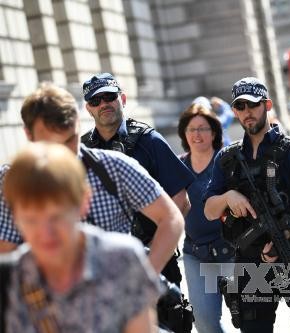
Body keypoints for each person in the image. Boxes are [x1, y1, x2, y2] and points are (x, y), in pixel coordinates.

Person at [0, 83, 184, 276]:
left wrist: (143, 280)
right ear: (28, 134)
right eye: (52, 145)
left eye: (71, 140)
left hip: (117, 296)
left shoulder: (114, 167)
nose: (65, 154)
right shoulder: (11, 182)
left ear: (78, 122)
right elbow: (6, 252)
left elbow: (171, 218)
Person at [204, 77, 290, 332]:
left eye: (253, 105)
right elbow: (209, 211)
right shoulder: (227, 158)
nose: (247, 112)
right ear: (234, 111)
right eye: (240, 107)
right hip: (250, 261)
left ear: (266, 105)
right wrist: (228, 198)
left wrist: (285, 236)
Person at [1, 142, 161, 332]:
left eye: (56, 217)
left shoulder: (121, 259)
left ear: (84, 202)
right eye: (30, 220)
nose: (45, 232)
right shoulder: (11, 278)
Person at [80, 72, 194, 285]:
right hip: (105, 270)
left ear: (122, 99)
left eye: (109, 97)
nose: (103, 104)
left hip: (154, 262)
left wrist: (155, 249)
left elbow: (181, 201)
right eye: (95, 100)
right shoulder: (82, 150)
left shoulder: (149, 140)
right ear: (88, 108)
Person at [177, 103, 235, 333]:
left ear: (214, 133)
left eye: (202, 128)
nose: (196, 134)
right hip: (196, 254)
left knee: (251, 319)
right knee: (205, 324)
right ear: (184, 134)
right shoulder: (178, 166)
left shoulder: (226, 162)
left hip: (232, 253)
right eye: (191, 129)